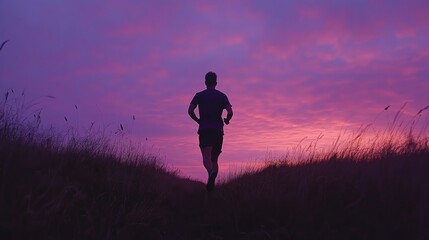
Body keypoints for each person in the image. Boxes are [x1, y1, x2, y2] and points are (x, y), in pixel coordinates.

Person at [188, 71, 233, 191]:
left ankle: (210, 172)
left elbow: (190, 110)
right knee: (215, 159)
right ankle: (212, 185)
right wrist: (227, 120)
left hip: (204, 129)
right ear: (216, 82)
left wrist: (198, 120)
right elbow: (230, 112)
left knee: (206, 158)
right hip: (218, 131)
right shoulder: (222, 96)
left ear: (205, 82)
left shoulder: (199, 95)